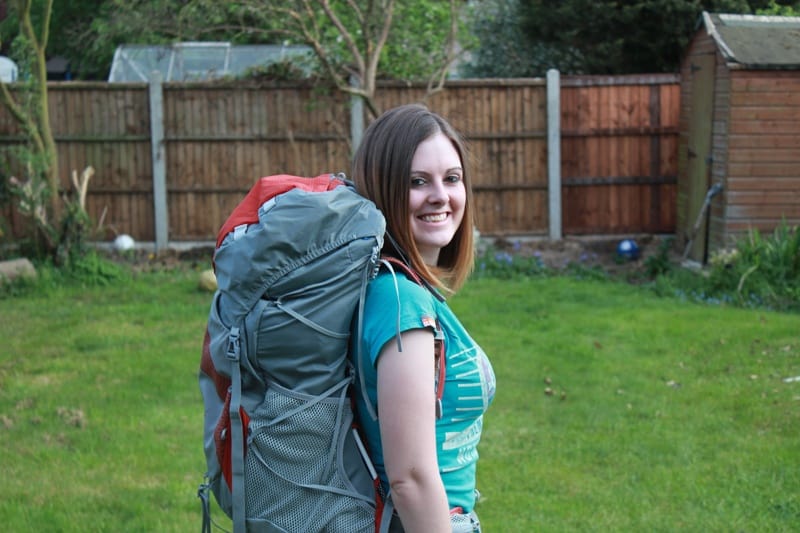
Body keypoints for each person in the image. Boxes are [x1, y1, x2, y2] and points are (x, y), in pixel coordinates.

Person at [351, 104, 496, 533]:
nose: (441, 196)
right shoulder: (401, 302)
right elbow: (410, 478)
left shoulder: (405, 291)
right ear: (384, 190)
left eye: (452, 178)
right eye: (418, 182)